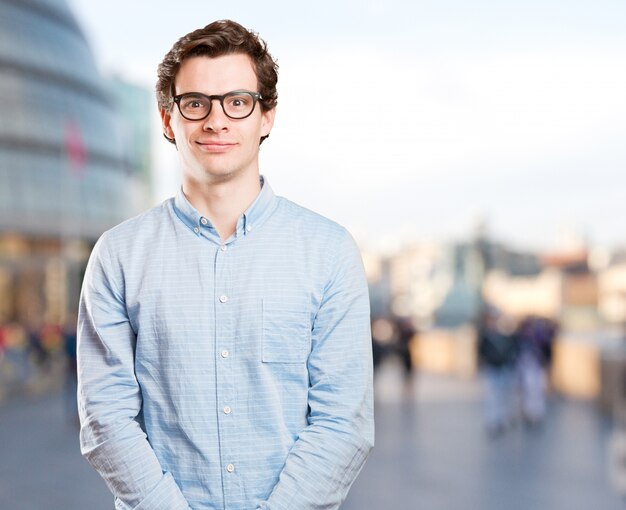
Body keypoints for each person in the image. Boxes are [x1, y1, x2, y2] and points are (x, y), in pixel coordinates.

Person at [77, 19, 374, 510]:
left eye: (237, 102)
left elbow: (343, 423)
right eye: (196, 103)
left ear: (267, 116)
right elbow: (105, 419)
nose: (217, 121)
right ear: (168, 120)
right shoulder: (118, 255)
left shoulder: (329, 251)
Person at [477, 306, 519, 436]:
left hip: (504, 368)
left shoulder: (504, 334)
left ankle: (501, 420)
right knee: (492, 396)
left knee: (503, 395)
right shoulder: (485, 335)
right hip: (492, 368)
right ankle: (493, 421)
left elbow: (512, 349)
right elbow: (481, 352)